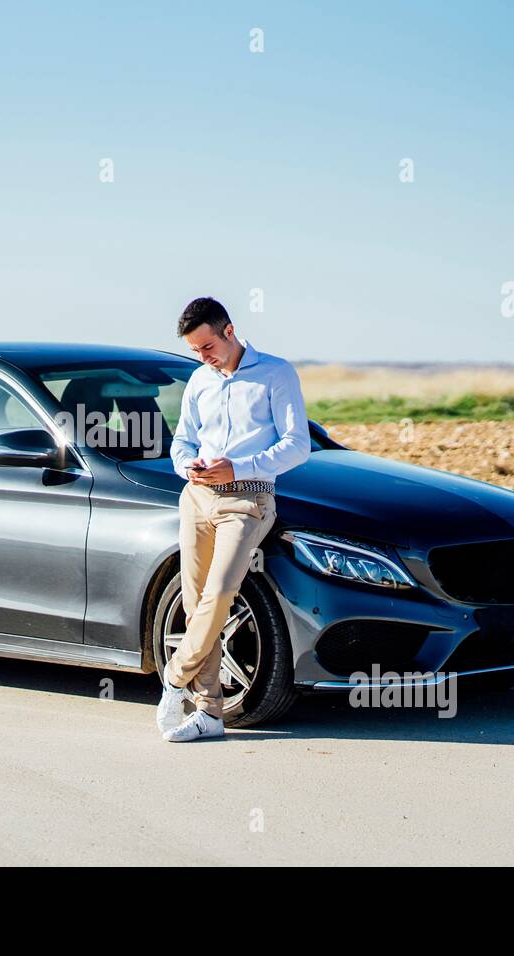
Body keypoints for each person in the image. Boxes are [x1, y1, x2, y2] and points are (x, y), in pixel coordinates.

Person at [156, 297, 310, 742]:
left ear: (229, 331)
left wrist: (239, 469)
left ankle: (173, 679)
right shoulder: (199, 381)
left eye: (206, 346)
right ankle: (208, 713)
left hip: (248, 499)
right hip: (197, 498)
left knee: (219, 595)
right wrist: (188, 466)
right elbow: (182, 440)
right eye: (195, 351)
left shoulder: (275, 374)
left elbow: (298, 444)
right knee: (194, 602)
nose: (202, 357)